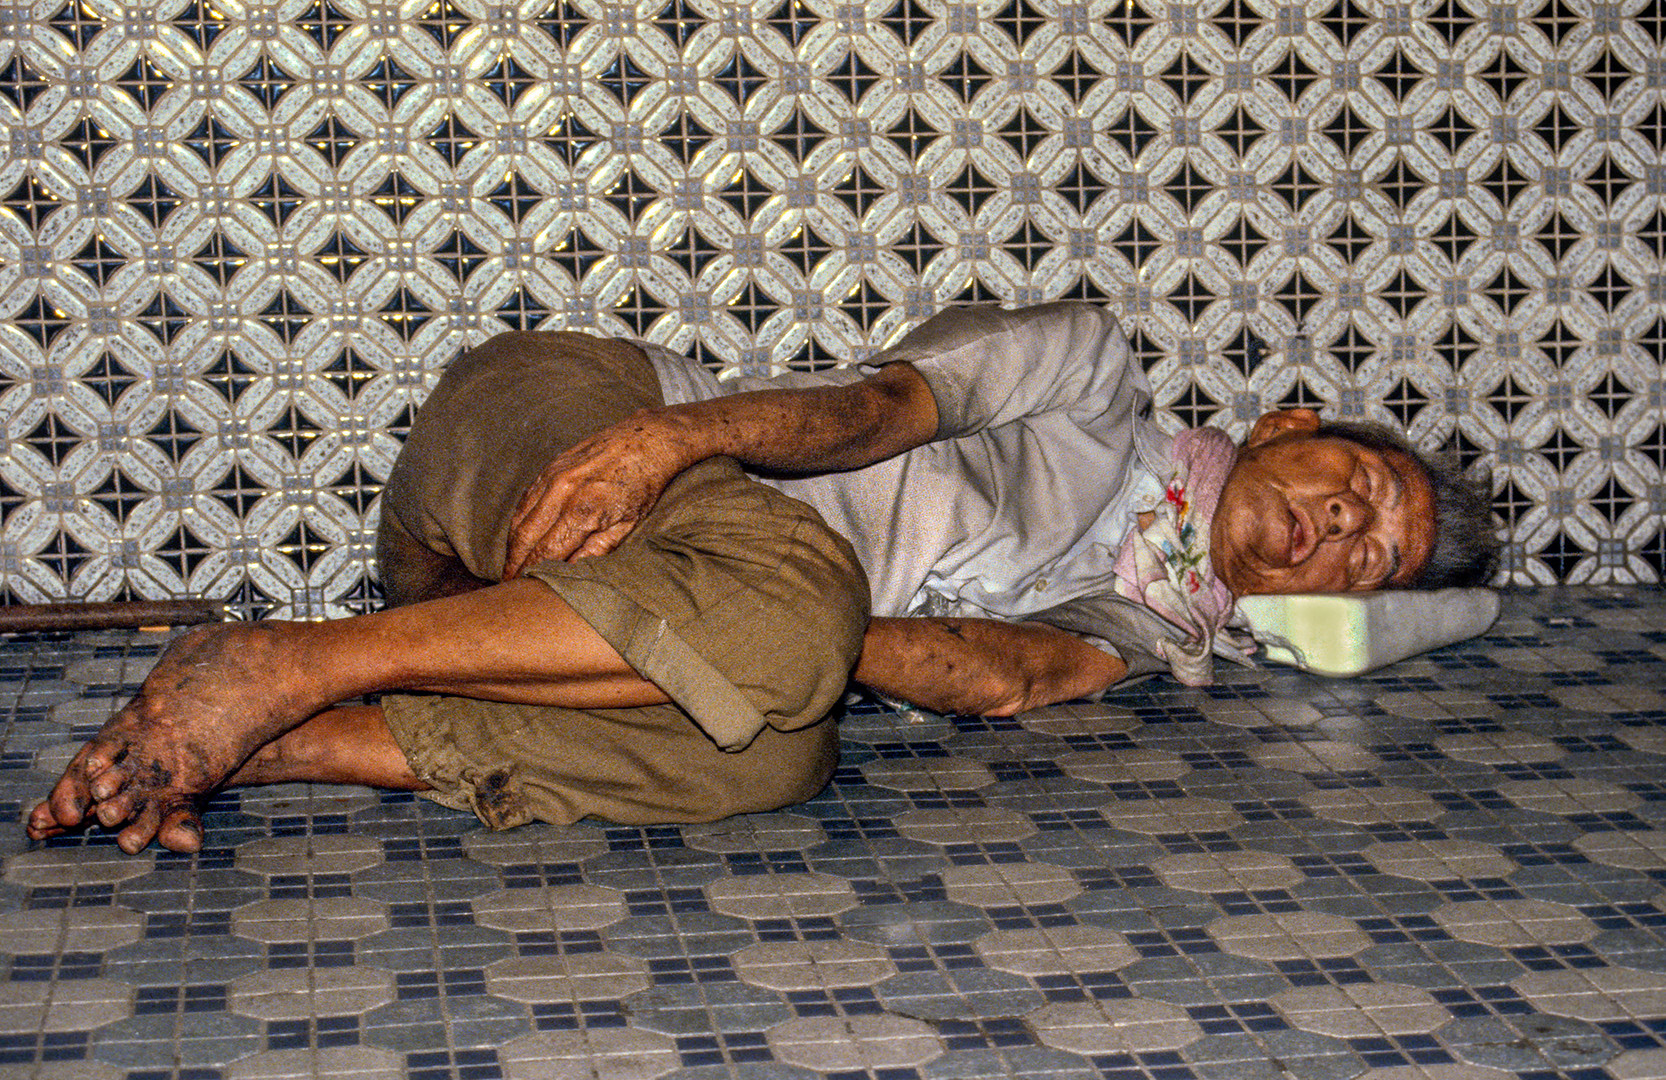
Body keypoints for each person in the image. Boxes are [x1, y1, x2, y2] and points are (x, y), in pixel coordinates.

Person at [26, 302, 1498, 854]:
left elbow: (1012, 673)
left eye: (1371, 565)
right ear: (1290, 429)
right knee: (794, 622)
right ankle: (283, 659)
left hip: (591, 612)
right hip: (560, 420)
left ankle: (276, 747)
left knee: (778, 747)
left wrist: (791, 651)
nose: (1340, 538)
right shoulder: (1093, 375)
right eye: (1356, 493)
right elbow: (873, 411)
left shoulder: (1147, 627)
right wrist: (658, 444)